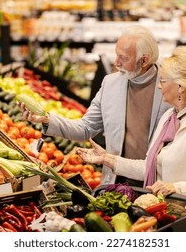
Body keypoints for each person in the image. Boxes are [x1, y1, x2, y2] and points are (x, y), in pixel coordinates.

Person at [75, 45, 186, 232]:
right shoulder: (170, 118)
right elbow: (149, 166)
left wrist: (176, 187)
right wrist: (107, 159)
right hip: (167, 218)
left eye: (163, 81)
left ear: (180, 86)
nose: (158, 86)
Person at [21, 25, 170, 187]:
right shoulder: (110, 84)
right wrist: (47, 120)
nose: (116, 63)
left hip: (156, 183)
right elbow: (86, 128)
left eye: (123, 58)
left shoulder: (171, 86)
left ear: (144, 60)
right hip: (115, 180)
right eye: (116, 55)